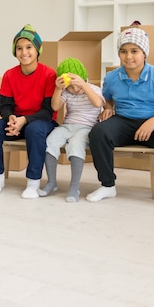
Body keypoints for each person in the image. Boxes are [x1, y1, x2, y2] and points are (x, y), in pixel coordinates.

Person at [87, 27, 154, 209]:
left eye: (135, 51)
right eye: (123, 51)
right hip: (124, 120)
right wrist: (108, 107)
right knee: (98, 132)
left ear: (144, 53)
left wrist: (153, 121)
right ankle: (107, 185)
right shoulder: (111, 77)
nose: (129, 57)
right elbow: (108, 99)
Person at [0, 24, 58, 198]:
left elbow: (48, 111)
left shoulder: (49, 74)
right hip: (17, 121)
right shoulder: (9, 75)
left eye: (29, 47)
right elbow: (4, 105)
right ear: (14, 51)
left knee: (34, 129)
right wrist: (11, 118)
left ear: (38, 49)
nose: (24, 52)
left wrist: (24, 119)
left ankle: (33, 182)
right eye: (19, 48)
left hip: (42, 122)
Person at [38, 58, 104, 203]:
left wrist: (83, 85)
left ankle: (74, 187)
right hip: (68, 126)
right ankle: (52, 182)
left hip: (86, 128)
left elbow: (98, 103)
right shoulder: (66, 92)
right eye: (70, 87)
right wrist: (59, 88)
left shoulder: (93, 89)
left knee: (75, 145)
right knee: (50, 141)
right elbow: (55, 107)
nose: (74, 90)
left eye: (76, 86)